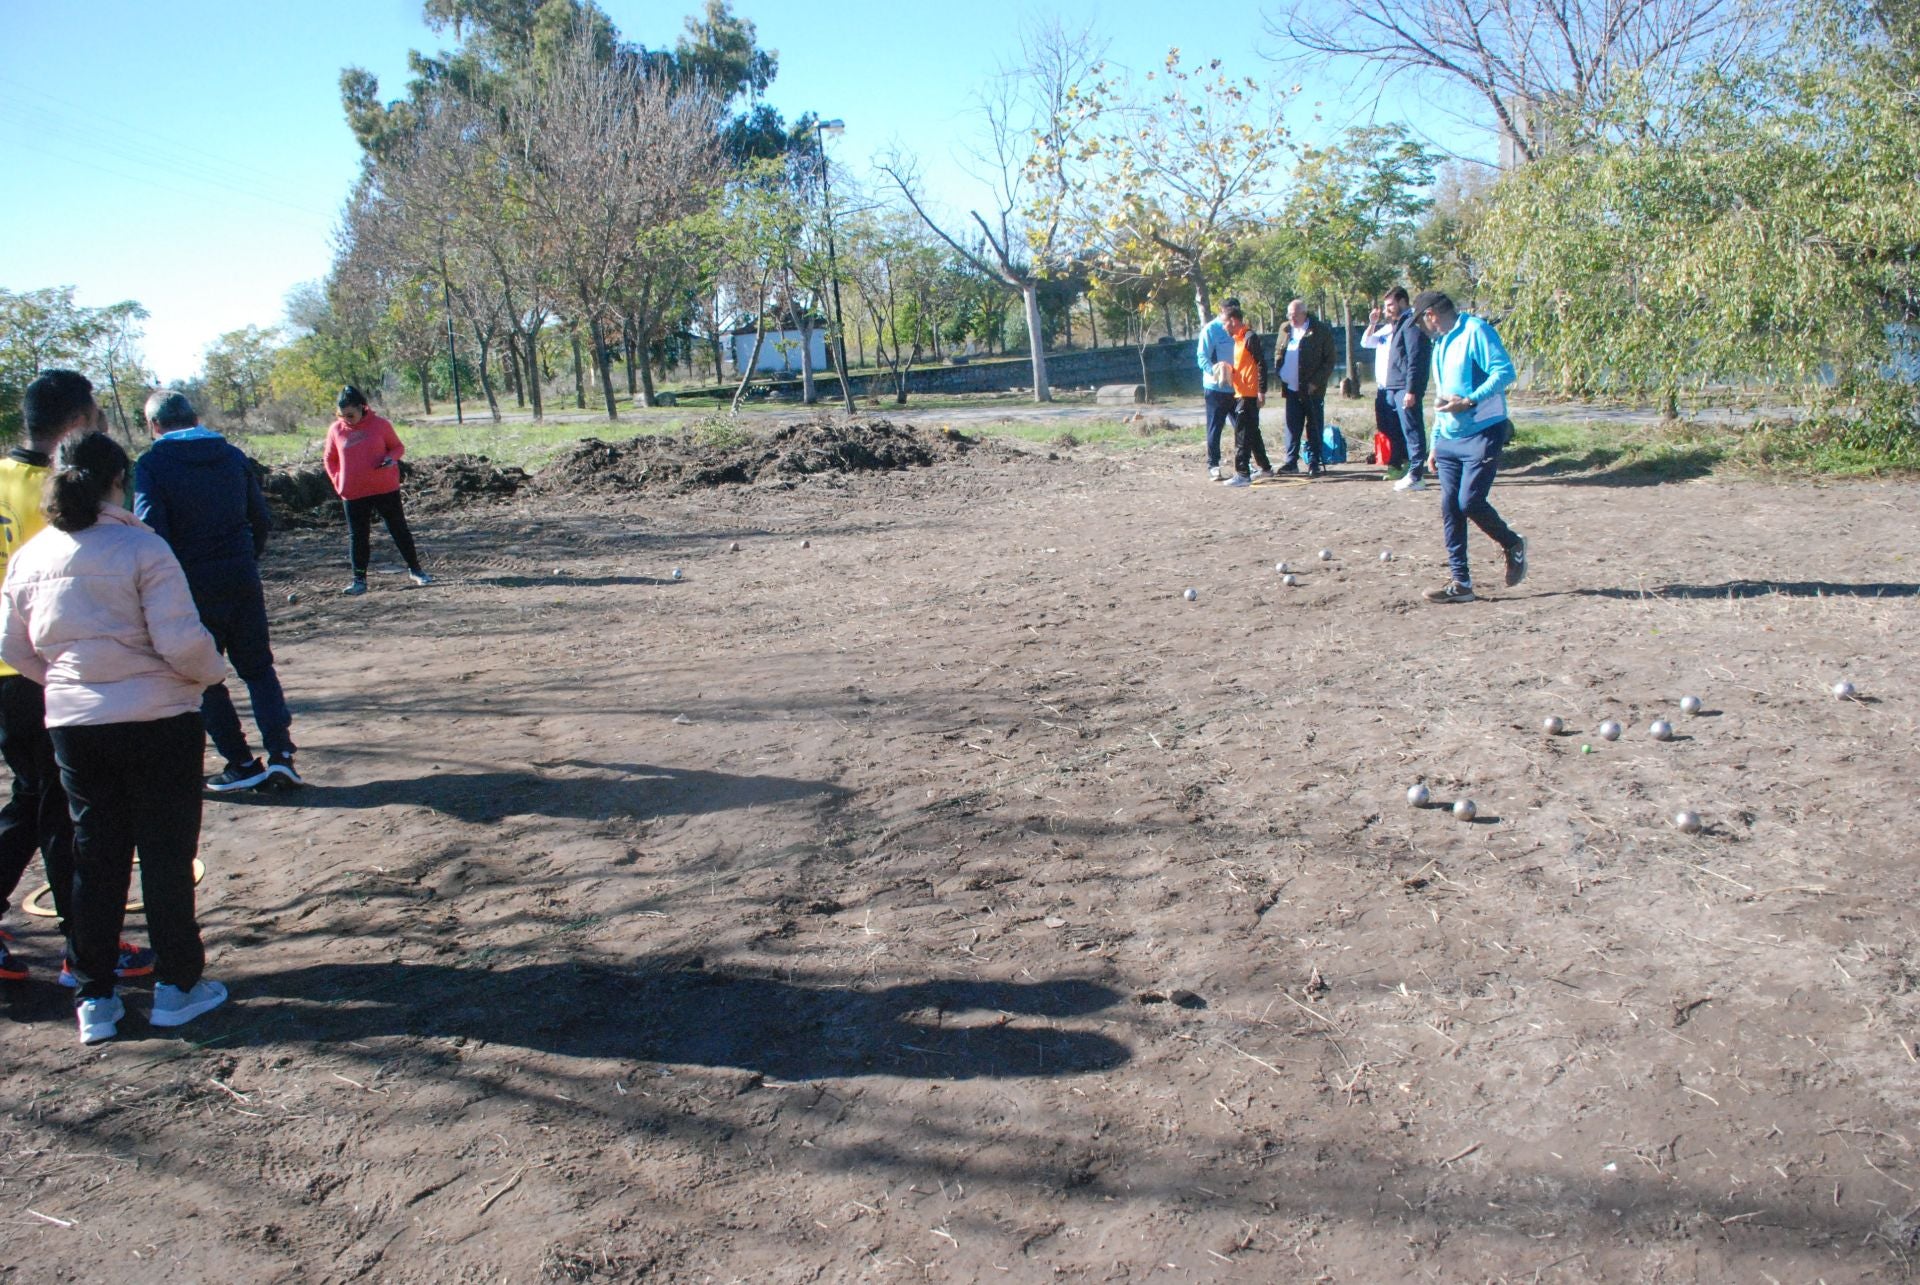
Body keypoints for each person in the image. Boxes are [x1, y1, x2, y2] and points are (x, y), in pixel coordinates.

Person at [0, 431, 230, 1043]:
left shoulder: (31, 556)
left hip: (76, 728)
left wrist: (72, 684)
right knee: (164, 853)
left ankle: (94, 997)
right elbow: (181, 642)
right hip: (159, 721)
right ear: (117, 480)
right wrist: (213, 672)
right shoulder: (141, 548)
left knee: (94, 857)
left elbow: (11, 647)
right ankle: (178, 987)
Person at [0, 373, 159, 988]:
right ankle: (85, 943)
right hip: (46, 669)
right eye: (94, 415)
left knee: (31, 798)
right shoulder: (59, 492)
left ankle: (82, 936)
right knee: (66, 813)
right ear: (75, 424)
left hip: (9, 668)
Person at [133, 390, 300, 793]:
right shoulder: (231, 456)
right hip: (241, 577)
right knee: (258, 668)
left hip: (189, 586)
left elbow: (151, 527)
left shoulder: (152, 464)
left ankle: (240, 762)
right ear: (195, 417)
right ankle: (282, 756)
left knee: (205, 676)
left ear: (154, 426)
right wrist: (246, 557)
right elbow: (260, 518)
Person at [1410, 291, 1529, 604]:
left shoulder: (1476, 331)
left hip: (1482, 431)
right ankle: (1461, 583)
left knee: (1470, 502)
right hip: (1449, 437)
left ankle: (1512, 543)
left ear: (1432, 313)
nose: (1422, 327)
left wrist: (1471, 400)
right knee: (1450, 507)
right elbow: (1442, 397)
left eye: (1421, 320)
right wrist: (1435, 442)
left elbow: (1504, 372)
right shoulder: (1440, 344)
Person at [323, 386, 432, 596]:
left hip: (385, 489)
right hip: (353, 493)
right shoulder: (336, 430)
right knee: (358, 536)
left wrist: (391, 459)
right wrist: (338, 482)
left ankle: (416, 570)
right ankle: (359, 580)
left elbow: (398, 447)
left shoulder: (380, 425)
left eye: (350, 415)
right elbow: (329, 459)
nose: (346, 419)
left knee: (398, 529)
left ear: (362, 407)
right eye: (341, 415)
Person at [1360, 286, 1432, 491]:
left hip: (1403, 387)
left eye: (1390, 305)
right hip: (1391, 387)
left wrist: (1411, 390)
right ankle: (1406, 468)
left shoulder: (1411, 323)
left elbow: (1415, 359)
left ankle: (1417, 474)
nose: (1387, 310)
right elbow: (1367, 342)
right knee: (1397, 429)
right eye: (1386, 306)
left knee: (1412, 429)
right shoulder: (1397, 324)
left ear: (1402, 302)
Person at [1275, 299, 1337, 476]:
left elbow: (1330, 361)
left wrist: (1315, 382)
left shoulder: (1320, 331)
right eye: (1289, 315)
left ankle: (1314, 462)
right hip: (1291, 388)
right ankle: (1291, 462)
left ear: (1304, 313)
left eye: (1295, 315)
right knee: (1292, 426)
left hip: (1312, 390)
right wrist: (1280, 370)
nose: (1291, 318)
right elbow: (1278, 352)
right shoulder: (1285, 328)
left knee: (1314, 425)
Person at [1216, 308, 1273, 487]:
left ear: (1233, 320)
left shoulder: (1249, 338)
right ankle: (1265, 468)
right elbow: (1245, 367)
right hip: (1241, 391)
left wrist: (1261, 390)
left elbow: (1261, 364)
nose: (1224, 327)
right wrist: (1229, 371)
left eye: (1225, 322)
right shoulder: (1238, 340)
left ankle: (1242, 473)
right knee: (1253, 432)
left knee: (1242, 434)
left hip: (1249, 394)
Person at [1196, 296, 1242, 481]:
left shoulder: (1240, 329)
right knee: (1215, 428)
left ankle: (1244, 464)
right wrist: (1217, 372)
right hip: (1216, 388)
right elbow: (1202, 357)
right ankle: (1213, 465)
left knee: (1242, 427)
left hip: (1238, 388)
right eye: (1229, 314)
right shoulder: (1211, 329)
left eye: (1236, 314)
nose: (1232, 319)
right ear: (1221, 311)